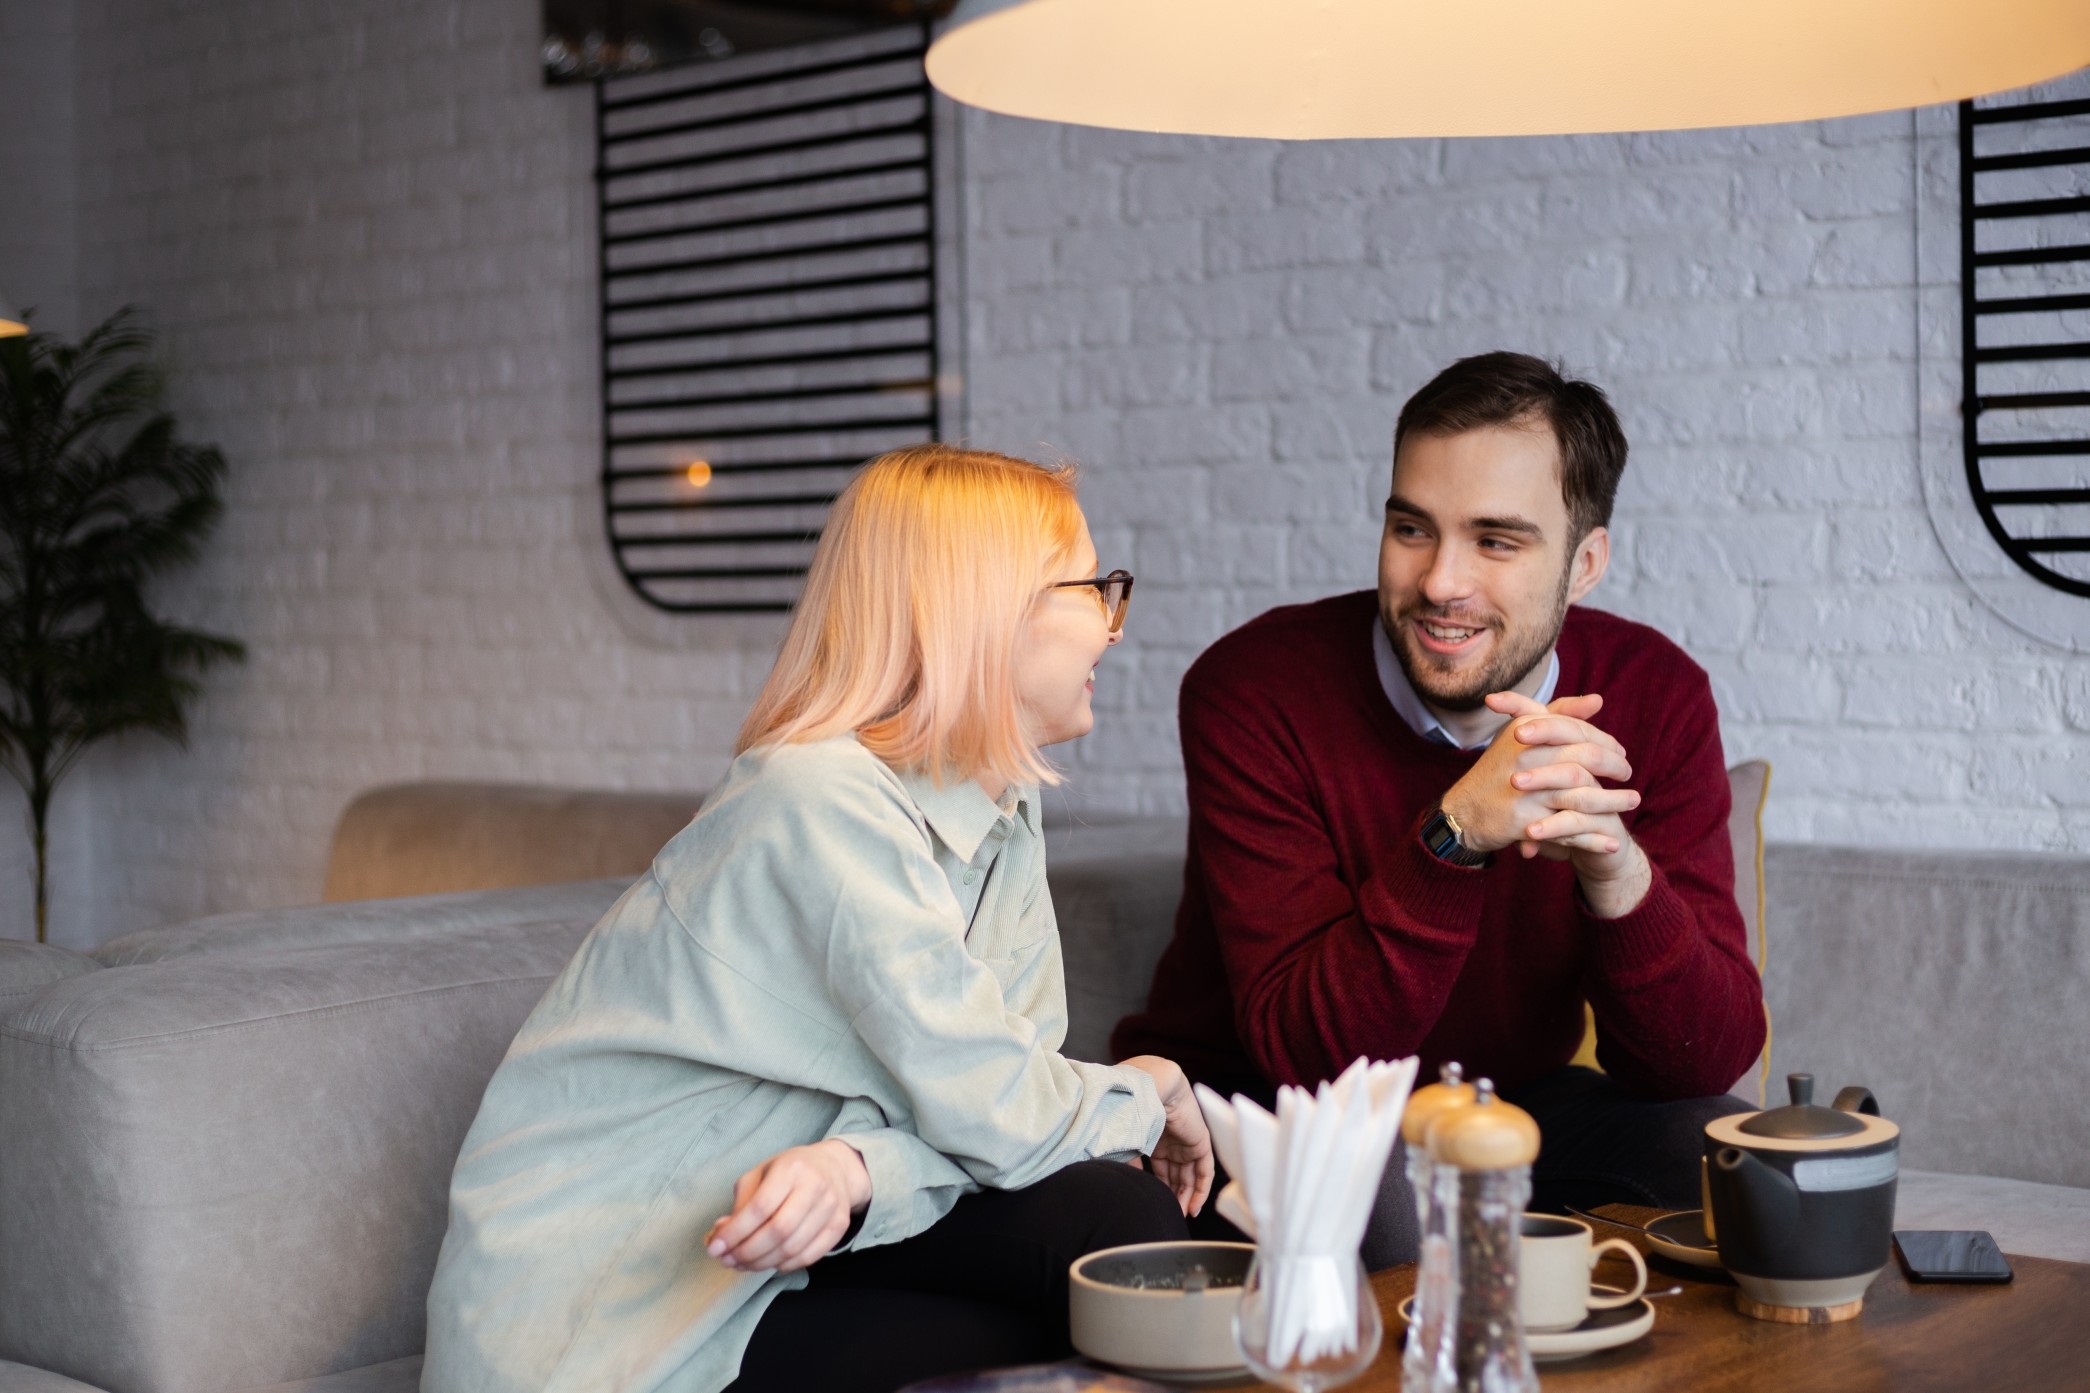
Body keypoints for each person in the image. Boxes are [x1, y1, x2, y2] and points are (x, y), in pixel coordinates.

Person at [423, 444, 1213, 1393]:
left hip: (776, 1245)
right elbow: (1007, 1112)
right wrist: (1152, 1088)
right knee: (1108, 1240)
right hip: (609, 1313)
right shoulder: (819, 799)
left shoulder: (1001, 807)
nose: (1113, 629)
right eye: (1093, 589)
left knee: (1106, 1240)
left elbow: (1003, 1112)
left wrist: (857, 1172)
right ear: (986, 611)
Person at [1113, 352, 1764, 1265]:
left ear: (1584, 563)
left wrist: (1617, 873)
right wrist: (1454, 836)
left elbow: (1698, 1064)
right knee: (1375, 1191)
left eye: (1495, 541)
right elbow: (1311, 1053)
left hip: (1500, 1103)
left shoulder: (1656, 694)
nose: (1440, 581)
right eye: (1412, 528)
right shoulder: (1256, 689)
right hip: (1263, 1109)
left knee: (1733, 1163)